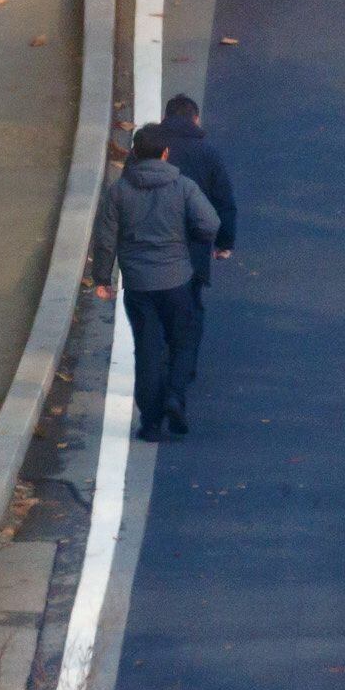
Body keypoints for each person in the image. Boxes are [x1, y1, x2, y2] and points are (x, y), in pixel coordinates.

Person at [89, 124, 221, 441]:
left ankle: (150, 423)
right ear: (166, 153)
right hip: (177, 279)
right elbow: (210, 223)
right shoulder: (183, 186)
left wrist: (103, 278)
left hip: (138, 284)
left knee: (147, 351)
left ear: (134, 153)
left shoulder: (119, 192)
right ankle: (175, 395)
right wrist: (191, 238)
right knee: (183, 341)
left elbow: (106, 239)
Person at [159, 94, 238, 290]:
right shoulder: (208, 153)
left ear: (164, 119)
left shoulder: (144, 150)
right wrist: (224, 243)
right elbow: (224, 203)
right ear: (196, 120)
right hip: (193, 250)